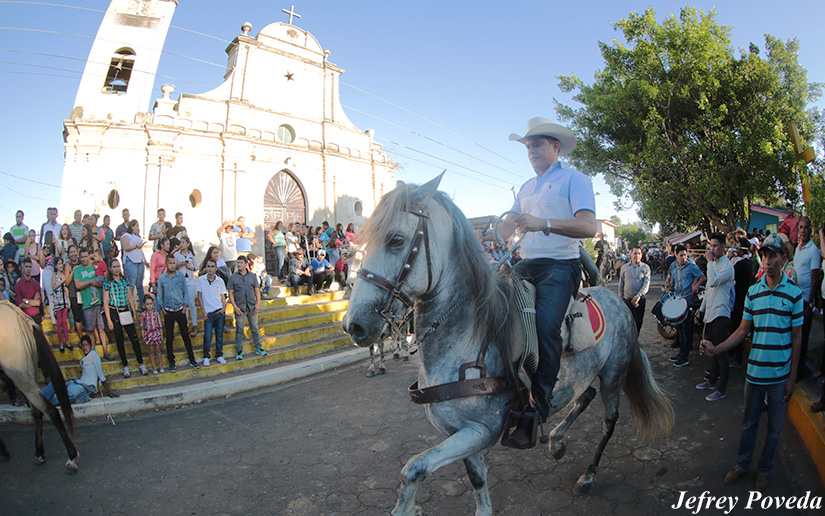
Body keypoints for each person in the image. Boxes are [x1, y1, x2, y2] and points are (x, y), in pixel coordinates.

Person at [490, 118, 596, 449]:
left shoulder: (575, 179)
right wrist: (494, 232)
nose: (531, 150)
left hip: (561, 265)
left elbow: (589, 227)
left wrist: (543, 223)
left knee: (545, 327)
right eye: (527, 146)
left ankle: (538, 407)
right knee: (492, 313)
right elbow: (509, 224)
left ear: (555, 146)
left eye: (536, 144)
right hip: (525, 264)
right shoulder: (525, 187)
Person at [700, 233, 803, 492]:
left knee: (774, 431)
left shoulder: (794, 294)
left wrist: (791, 379)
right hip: (755, 374)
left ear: (784, 258)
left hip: (779, 378)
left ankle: (765, 469)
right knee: (749, 424)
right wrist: (717, 349)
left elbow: (797, 339)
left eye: (773, 256)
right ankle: (742, 464)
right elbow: (742, 330)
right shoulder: (753, 293)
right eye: (764, 255)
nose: (767, 261)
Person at [694, 233, 734, 401]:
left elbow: (712, 282)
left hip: (721, 314)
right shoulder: (714, 265)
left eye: (716, 246)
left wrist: (709, 261)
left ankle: (722, 389)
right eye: (711, 245)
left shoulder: (727, 265)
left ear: (724, 247)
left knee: (722, 354)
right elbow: (709, 292)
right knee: (713, 352)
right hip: (710, 314)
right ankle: (712, 380)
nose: (712, 249)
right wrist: (701, 310)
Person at [41, 335, 118, 405]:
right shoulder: (85, 358)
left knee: (57, 398)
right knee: (54, 384)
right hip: (76, 384)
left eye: (86, 345)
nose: (85, 347)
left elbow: (101, 375)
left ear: (91, 346)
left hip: (83, 390)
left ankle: (40, 402)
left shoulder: (94, 355)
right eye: (83, 345)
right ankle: (38, 397)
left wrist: (109, 392)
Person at [103, 258, 147, 378]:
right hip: (114, 310)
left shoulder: (124, 280)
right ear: (110, 269)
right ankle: (125, 365)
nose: (117, 269)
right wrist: (108, 319)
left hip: (125, 309)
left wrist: (133, 312)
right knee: (119, 339)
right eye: (114, 267)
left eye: (118, 266)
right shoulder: (108, 283)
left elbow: (130, 297)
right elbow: (106, 301)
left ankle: (141, 362)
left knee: (134, 337)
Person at [157, 253, 199, 372]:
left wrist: (185, 307)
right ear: (166, 264)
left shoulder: (180, 276)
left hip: (180, 309)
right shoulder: (162, 278)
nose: (171, 266)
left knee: (185, 336)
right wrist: (163, 310)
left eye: (173, 263)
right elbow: (159, 295)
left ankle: (192, 359)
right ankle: (171, 362)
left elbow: (185, 291)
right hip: (168, 311)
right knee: (169, 338)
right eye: (169, 263)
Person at [665, 244, 706, 367]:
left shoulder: (692, 266)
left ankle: (685, 357)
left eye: (684, 255)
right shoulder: (674, 268)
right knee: (681, 330)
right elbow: (671, 283)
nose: (683, 257)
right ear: (676, 255)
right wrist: (668, 287)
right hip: (678, 302)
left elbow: (703, 277)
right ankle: (681, 354)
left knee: (687, 331)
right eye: (680, 255)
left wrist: (697, 285)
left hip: (688, 302)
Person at [792, 216, 820, 382]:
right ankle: (793, 370)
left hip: (804, 301)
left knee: (802, 339)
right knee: (794, 337)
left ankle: (799, 373)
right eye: (800, 227)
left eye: (806, 228)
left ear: (811, 231)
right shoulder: (798, 248)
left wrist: (809, 304)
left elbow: (814, 279)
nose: (803, 231)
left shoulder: (813, 250)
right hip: (795, 299)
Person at [74, 247, 112, 360]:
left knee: (101, 328)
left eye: (86, 256)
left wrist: (99, 283)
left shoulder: (94, 265)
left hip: (99, 302)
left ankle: (106, 353)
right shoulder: (78, 270)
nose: (84, 259)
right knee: (90, 329)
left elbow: (103, 278)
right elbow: (78, 285)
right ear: (79, 258)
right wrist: (90, 281)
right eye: (82, 257)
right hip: (87, 304)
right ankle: (93, 355)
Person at [227, 254, 266, 360]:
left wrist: (258, 304)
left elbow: (257, 290)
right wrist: (235, 307)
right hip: (240, 307)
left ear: (246, 264)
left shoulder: (252, 276)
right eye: (238, 263)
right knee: (239, 329)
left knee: (254, 328)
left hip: (252, 306)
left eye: (241, 263)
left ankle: (258, 348)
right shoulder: (233, 278)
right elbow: (230, 293)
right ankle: (239, 351)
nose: (239, 265)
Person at [196, 258, 228, 366]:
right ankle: (206, 356)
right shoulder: (201, 280)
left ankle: (219, 355)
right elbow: (199, 296)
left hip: (218, 310)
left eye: (212, 267)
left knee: (219, 334)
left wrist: (224, 309)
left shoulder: (220, 280)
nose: (210, 269)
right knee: (208, 335)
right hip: (208, 312)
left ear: (216, 268)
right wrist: (203, 312)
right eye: (208, 266)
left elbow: (223, 296)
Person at [618, 246, 650, 334]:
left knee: (638, 322)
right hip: (627, 300)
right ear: (631, 254)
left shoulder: (645, 268)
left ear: (641, 255)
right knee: (627, 323)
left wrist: (638, 296)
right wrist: (621, 299)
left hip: (639, 300)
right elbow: (621, 284)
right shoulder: (624, 267)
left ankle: (635, 340)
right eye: (635, 253)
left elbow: (646, 284)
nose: (637, 255)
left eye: (639, 253)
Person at [174, 236, 199, 336]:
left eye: (183, 242)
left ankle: (194, 325)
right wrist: (179, 265)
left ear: (188, 244)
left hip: (190, 280)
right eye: (181, 242)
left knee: (191, 303)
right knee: (183, 304)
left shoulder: (191, 255)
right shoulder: (177, 255)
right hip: (181, 281)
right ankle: (185, 325)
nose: (182, 244)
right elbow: (173, 267)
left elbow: (196, 268)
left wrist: (190, 266)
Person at [121, 220, 148, 308]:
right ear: (132, 226)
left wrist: (145, 261)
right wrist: (136, 246)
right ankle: (130, 306)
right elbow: (125, 247)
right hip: (131, 261)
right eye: (136, 226)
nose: (138, 228)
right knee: (131, 284)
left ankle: (142, 304)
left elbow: (140, 250)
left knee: (139, 284)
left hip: (139, 261)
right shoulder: (126, 236)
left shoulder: (137, 236)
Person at [140, 295, 164, 374]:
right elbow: (142, 326)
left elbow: (160, 325)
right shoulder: (143, 315)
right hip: (148, 334)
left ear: (153, 304)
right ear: (144, 305)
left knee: (158, 349)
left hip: (156, 333)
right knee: (151, 350)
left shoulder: (156, 313)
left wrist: (161, 335)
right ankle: (154, 367)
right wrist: (143, 336)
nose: (149, 306)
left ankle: (161, 366)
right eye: (147, 304)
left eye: (151, 303)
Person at [15, 257, 42, 325]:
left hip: (36, 316)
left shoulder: (35, 284)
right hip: (25, 317)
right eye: (26, 266)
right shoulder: (18, 285)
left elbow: (38, 302)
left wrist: (26, 301)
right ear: (22, 268)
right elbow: (20, 304)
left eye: (30, 267)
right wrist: (32, 301)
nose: (28, 269)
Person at [52, 257, 71, 352]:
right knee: (59, 323)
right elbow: (53, 287)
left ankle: (67, 341)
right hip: (57, 301)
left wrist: (68, 300)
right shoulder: (54, 275)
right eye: (58, 264)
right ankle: (61, 343)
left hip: (64, 300)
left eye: (61, 263)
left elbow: (65, 288)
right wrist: (61, 281)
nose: (60, 265)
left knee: (64, 322)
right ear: (55, 265)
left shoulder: (63, 274)